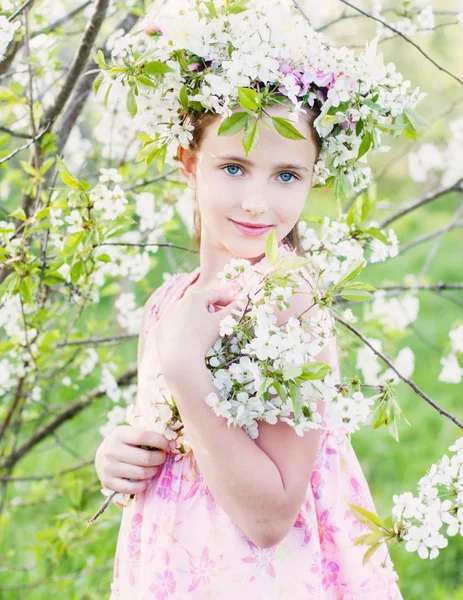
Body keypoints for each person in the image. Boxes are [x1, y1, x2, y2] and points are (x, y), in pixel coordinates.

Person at [92, 0, 423, 596]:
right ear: (189, 164)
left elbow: (270, 518)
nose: (256, 202)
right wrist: (119, 458)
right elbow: (177, 452)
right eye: (234, 167)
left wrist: (186, 373)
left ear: (314, 176)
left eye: (286, 175)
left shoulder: (289, 304)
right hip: (174, 569)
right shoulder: (169, 302)